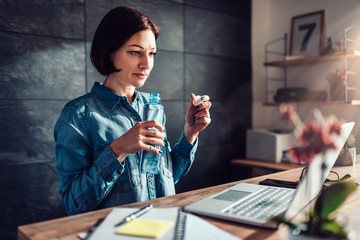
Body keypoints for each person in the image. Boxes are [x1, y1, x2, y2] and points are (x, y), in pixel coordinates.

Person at [54, 6, 211, 215]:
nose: (146, 63)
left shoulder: (153, 107)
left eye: (152, 53)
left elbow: (165, 178)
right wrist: (117, 150)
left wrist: (190, 134)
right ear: (110, 52)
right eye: (135, 52)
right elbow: (73, 204)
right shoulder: (77, 115)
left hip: (163, 224)